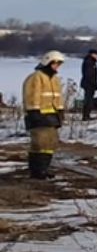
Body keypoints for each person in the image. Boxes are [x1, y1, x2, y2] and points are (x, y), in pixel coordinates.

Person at [22, 51, 66, 180]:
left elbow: (58, 97)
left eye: (59, 64)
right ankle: (37, 171)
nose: (57, 66)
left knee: (50, 143)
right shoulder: (36, 77)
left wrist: (60, 111)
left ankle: (44, 169)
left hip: (52, 116)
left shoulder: (55, 79)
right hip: (39, 115)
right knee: (40, 143)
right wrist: (33, 112)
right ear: (48, 62)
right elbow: (31, 95)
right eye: (56, 63)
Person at [81, 49, 97, 120]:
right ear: (92, 54)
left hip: (89, 84)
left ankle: (87, 115)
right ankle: (86, 116)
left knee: (89, 99)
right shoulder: (89, 62)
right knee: (88, 100)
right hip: (89, 84)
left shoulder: (91, 62)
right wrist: (94, 84)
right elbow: (89, 75)